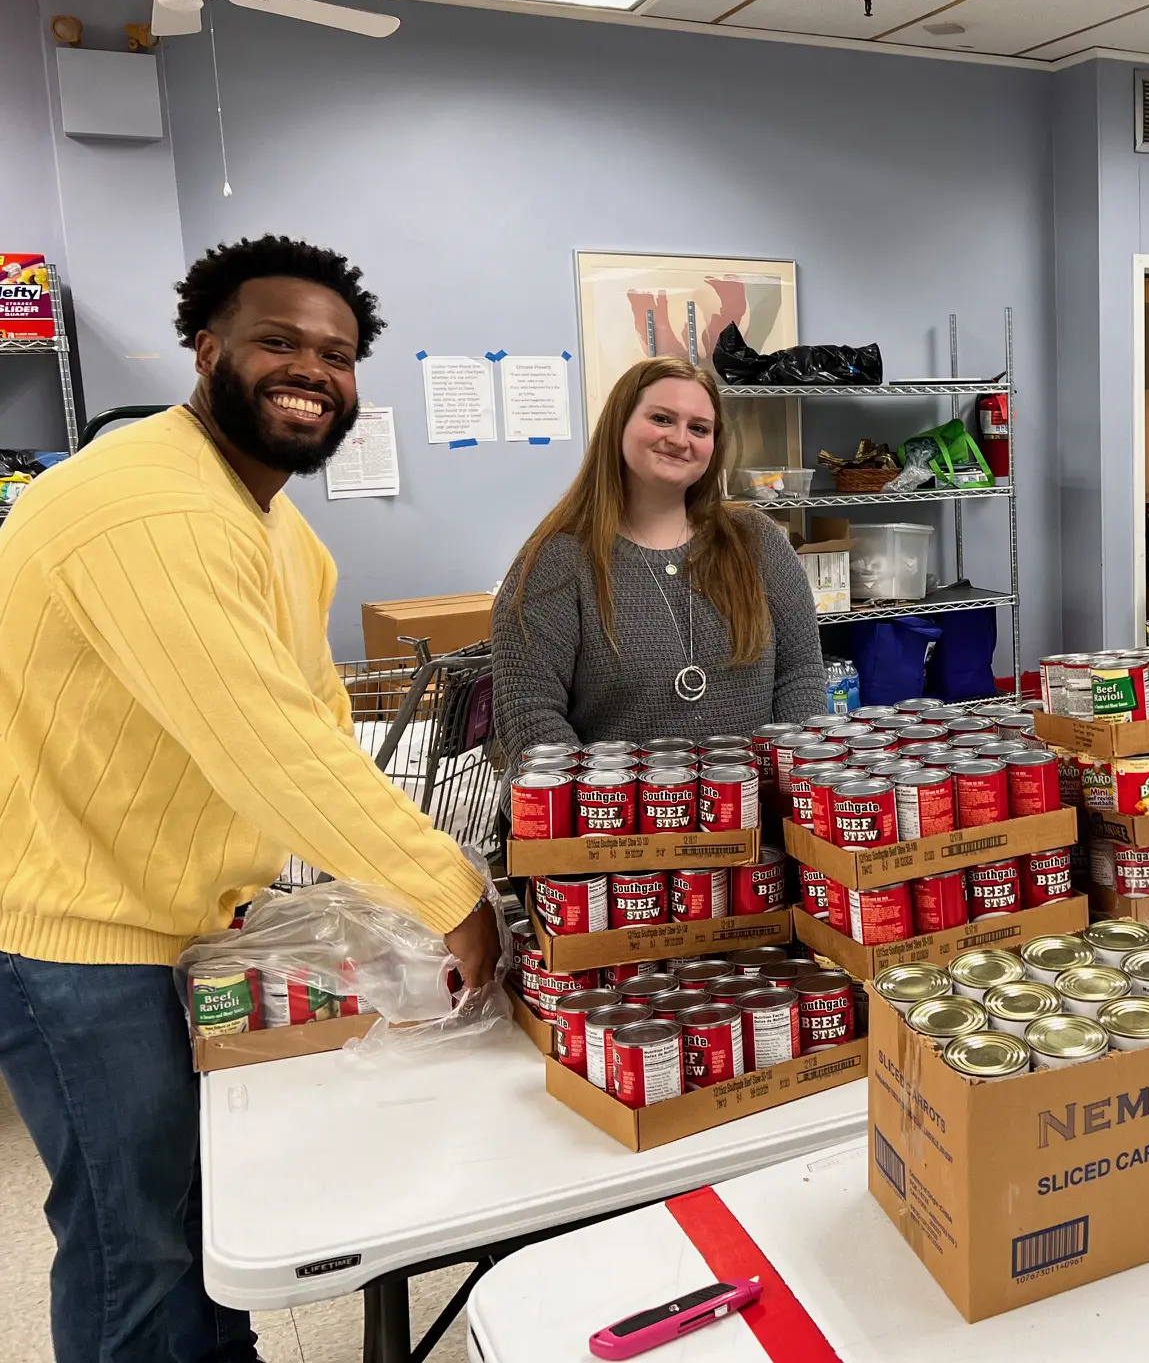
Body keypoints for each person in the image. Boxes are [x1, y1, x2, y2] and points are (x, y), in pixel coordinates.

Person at [0, 236, 501, 1363]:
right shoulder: (150, 509)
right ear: (206, 347)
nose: (312, 369)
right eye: (281, 340)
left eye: (337, 353)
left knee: (198, 1218)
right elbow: (268, 747)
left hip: (169, 918)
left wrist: (352, 891)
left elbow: (313, 717)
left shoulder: (273, 526)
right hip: (78, 942)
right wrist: (446, 893)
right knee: (135, 1246)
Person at [492, 355, 826, 762]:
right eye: (662, 419)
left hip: (748, 809)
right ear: (620, 423)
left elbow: (800, 676)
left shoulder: (756, 541)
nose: (680, 439)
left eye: (699, 428)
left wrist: (790, 782)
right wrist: (604, 799)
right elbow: (529, 711)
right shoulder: (558, 558)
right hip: (612, 816)